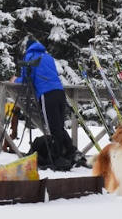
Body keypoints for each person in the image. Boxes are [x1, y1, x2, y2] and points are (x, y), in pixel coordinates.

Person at [16, 39, 78, 168]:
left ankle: (57, 157)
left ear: (27, 48)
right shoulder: (48, 57)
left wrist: (15, 79)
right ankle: (70, 151)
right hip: (60, 92)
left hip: (46, 94)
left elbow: (27, 79)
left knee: (52, 127)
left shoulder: (29, 56)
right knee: (59, 126)